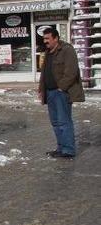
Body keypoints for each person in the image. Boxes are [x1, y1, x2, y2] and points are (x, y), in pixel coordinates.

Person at [39, 28, 84, 159]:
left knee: (64, 121)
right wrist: (42, 89)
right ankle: (60, 148)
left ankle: (68, 150)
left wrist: (61, 87)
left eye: (48, 38)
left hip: (61, 92)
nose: (45, 41)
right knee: (55, 122)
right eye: (44, 39)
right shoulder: (48, 52)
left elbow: (72, 71)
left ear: (56, 38)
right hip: (50, 92)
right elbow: (44, 72)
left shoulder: (67, 50)